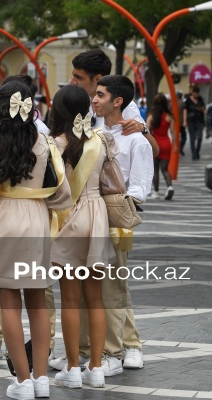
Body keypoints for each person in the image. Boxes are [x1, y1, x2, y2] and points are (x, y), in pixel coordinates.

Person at [50, 50, 156, 374]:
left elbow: (143, 161)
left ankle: (126, 347)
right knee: (87, 289)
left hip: (108, 210)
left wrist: (146, 133)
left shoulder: (125, 115)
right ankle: (85, 352)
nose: (74, 83)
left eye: (79, 78)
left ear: (100, 84)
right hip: (82, 215)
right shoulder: (85, 112)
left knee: (113, 285)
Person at [0, 81, 71, 399]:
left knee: (9, 304)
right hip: (38, 221)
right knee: (38, 303)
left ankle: (23, 381)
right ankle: (41, 379)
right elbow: (62, 193)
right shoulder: (44, 141)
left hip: (4, 221)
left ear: (0, 104)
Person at [49, 85, 116, 389]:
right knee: (95, 298)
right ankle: (97, 368)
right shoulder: (101, 140)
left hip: (68, 219)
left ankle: (73, 368)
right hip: (97, 216)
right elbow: (113, 182)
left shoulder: (54, 144)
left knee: (70, 299)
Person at [90, 75, 153, 376]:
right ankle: (121, 346)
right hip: (91, 218)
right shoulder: (93, 134)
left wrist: (113, 198)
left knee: (115, 285)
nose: (94, 99)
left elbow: (141, 187)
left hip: (115, 219)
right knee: (101, 286)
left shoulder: (135, 139)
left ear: (118, 101)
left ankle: (124, 349)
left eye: (100, 94)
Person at [148, 93, 177, 200]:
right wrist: (176, 146)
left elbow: (146, 129)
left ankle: (156, 192)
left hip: (155, 144)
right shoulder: (170, 116)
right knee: (164, 169)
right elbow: (173, 132)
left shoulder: (152, 116)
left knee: (155, 169)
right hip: (166, 144)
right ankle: (169, 187)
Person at [184, 86, 205, 160]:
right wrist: (185, 121)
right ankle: (193, 154)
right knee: (192, 138)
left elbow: (204, 108)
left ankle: (197, 151)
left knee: (199, 137)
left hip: (199, 121)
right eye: (195, 93)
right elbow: (185, 110)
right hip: (191, 121)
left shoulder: (200, 99)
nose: (196, 95)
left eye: (197, 93)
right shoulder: (188, 100)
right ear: (192, 93)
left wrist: (201, 109)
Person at [177, 91, 186, 156]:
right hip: (181, 123)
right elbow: (185, 112)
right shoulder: (182, 103)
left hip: (174, 123)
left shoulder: (171, 103)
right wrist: (185, 121)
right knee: (184, 136)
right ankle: (180, 147)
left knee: (176, 136)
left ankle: (178, 148)